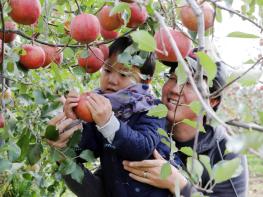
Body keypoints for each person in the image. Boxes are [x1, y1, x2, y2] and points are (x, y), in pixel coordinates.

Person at [61, 36, 174, 197]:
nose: (112, 80)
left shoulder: (153, 109)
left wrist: (108, 123)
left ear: (146, 81)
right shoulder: (99, 109)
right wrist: (74, 122)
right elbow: (87, 152)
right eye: (107, 70)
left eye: (124, 74)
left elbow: (142, 148)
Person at [122, 56, 249, 197]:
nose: (176, 89)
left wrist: (179, 184)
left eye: (190, 83)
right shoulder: (142, 127)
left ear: (211, 101)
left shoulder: (227, 153)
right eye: (173, 77)